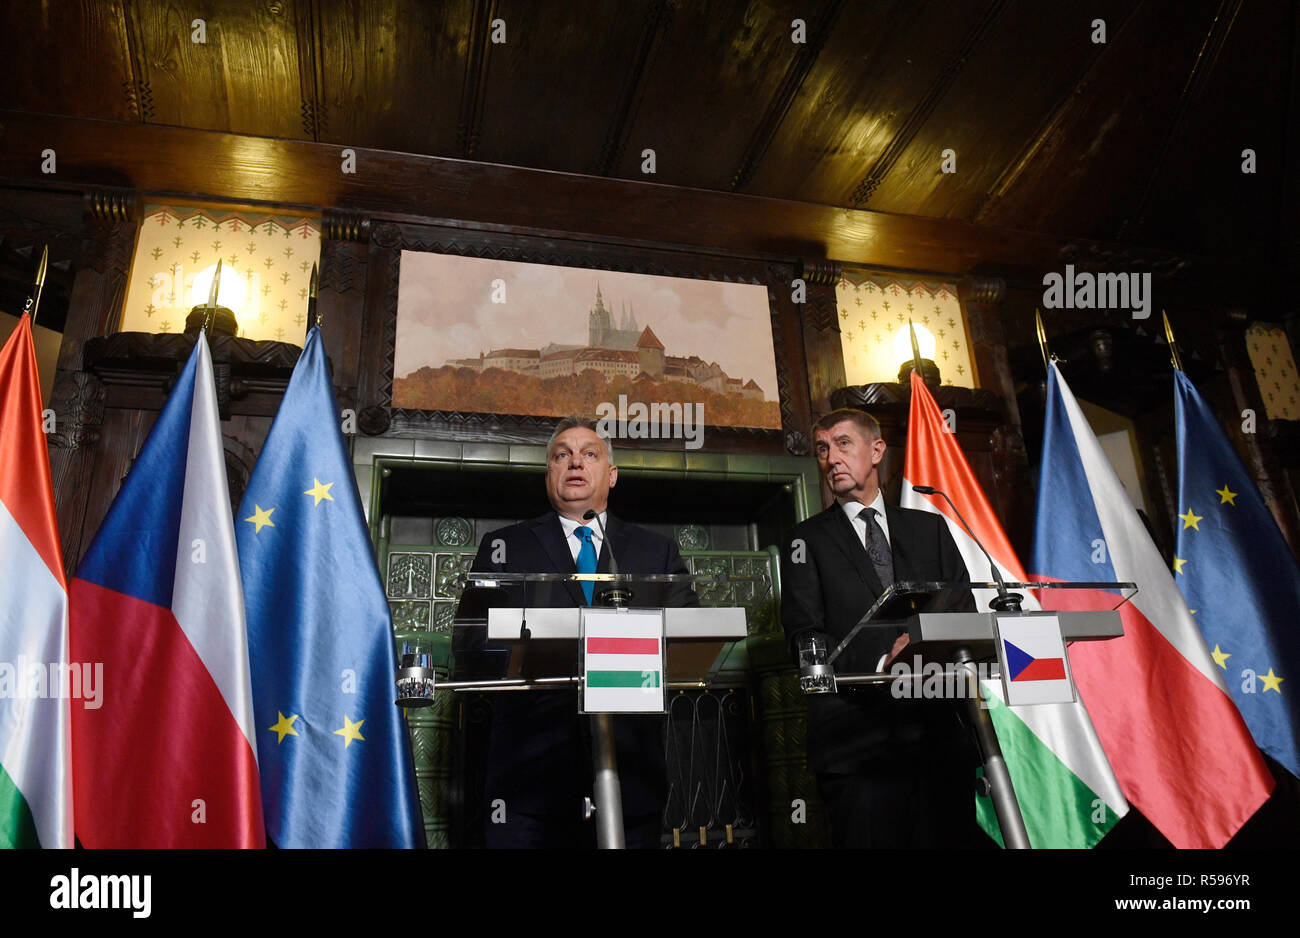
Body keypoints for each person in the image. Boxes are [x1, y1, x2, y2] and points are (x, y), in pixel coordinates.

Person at [460, 416, 697, 848]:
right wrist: (532, 662)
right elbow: (470, 641)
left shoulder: (655, 550)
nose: (574, 462)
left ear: (611, 475)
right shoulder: (504, 546)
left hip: (630, 772)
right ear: (549, 472)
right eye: (561, 455)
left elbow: (688, 635)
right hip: (529, 777)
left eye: (589, 454)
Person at [780, 407, 980, 848]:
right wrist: (881, 661)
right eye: (822, 449)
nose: (831, 458)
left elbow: (962, 604)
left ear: (876, 450)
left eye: (843, 444)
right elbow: (804, 635)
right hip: (856, 745)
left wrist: (924, 647)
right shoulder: (803, 541)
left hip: (939, 736)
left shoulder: (931, 528)